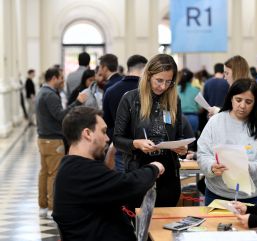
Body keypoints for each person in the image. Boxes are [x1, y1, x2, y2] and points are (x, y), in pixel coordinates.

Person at [53, 106, 164, 241]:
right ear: (87, 133)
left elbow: (108, 183)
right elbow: (129, 185)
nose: (107, 138)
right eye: (104, 131)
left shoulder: (75, 166)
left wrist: (110, 153)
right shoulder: (80, 171)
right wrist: (154, 168)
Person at [113, 54, 186, 207]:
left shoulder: (174, 100)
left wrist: (182, 147)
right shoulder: (130, 99)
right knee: (140, 225)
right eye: (159, 80)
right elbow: (117, 139)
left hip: (168, 174)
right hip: (139, 171)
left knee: (165, 225)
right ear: (148, 76)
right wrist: (136, 144)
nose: (163, 86)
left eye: (168, 82)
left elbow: (179, 135)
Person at [197, 79, 257, 206]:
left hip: (255, 196)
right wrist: (211, 167)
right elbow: (203, 154)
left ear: (255, 103)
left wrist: (248, 168)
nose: (242, 106)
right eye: (238, 100)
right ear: (231, 98)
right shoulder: (216, 122)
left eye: (248, 102)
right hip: (218, 194)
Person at [35, 67, 87, 219]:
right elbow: (61, 116)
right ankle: (52, 208)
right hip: (53, 139)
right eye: (61, 78)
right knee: (54, 174)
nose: (63, 81)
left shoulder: (42, 92)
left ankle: (43, 206)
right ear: (54, 78)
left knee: (44, 172)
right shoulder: (50, 95)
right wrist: (78, 101)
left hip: (43, 139)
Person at [177, 68, 200, 134]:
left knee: (180, 141)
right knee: (192, 141)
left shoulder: (175, 90)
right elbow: (201, 108)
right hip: (193, 118)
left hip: (179, 118)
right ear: (192, 79)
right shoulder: (196, 90)